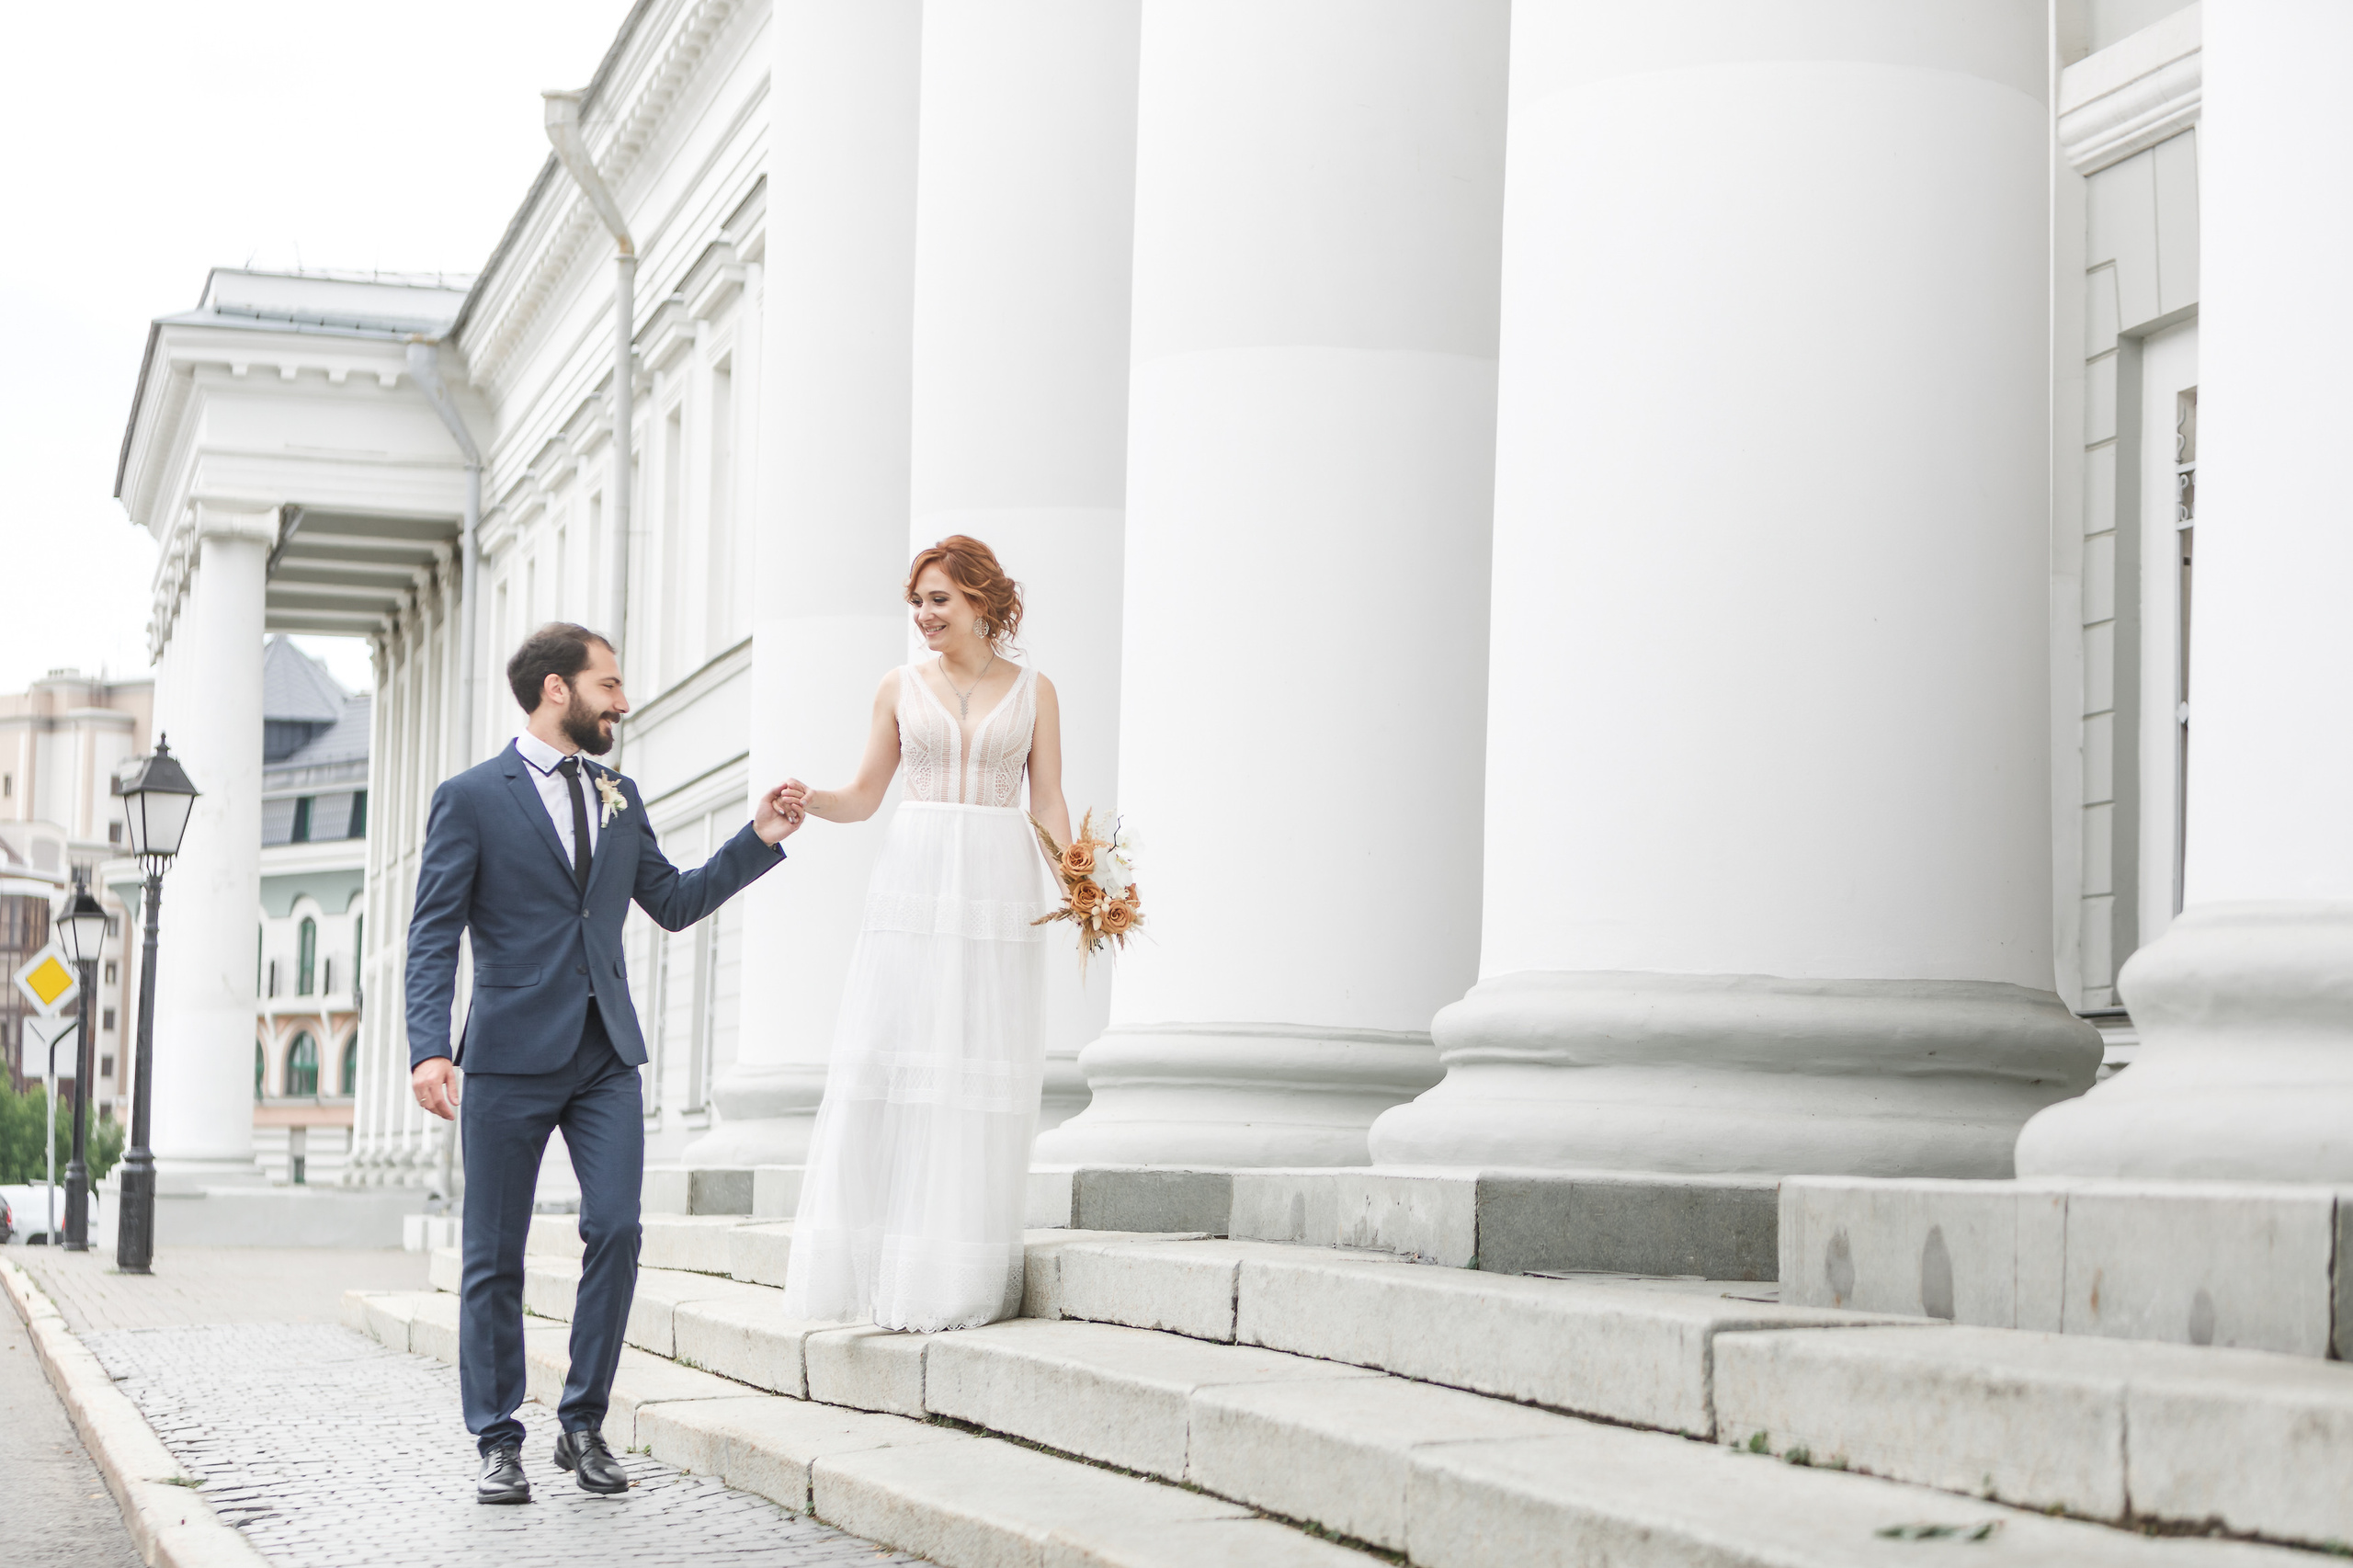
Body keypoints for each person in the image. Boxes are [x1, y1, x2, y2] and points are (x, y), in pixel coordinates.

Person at [405, 623, 801, 1505]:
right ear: (558, 690)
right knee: (493, 1255)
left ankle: (582, 1422)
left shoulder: (620, 792)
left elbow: (670, 900)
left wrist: (758, 838)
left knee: (617, 1228)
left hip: (604, 1056)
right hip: (507, 1056)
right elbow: (433, 932)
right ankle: (497, 1437)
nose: (622, 702)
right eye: (609, 686)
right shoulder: (470, 797)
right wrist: (429, 1046)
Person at [777, 535, 1069, 1332]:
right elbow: (866, 794)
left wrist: (1080, 888)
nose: (924, 614)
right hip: (915, 880)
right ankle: (879, 1265)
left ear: (982, 600)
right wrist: (812, 801)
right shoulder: (897, 687)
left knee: (978, 1062)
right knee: (897, 1057)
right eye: (918, 601)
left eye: (939, 599)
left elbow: (1045, 800)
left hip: (997, 884)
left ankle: (954, 1273)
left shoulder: (1036, 691)